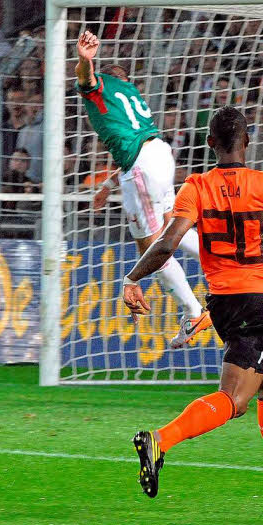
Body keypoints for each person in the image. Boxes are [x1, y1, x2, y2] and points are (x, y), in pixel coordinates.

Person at [123, 106, 263, 511]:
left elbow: (166, 243)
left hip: (222, 302)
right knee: (234, 400)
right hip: (259, 301)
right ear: (248, 143)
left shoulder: (196, 186)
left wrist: (132, 279)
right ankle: (159, 440)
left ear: (210, 143)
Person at [75, 30, 211, 346]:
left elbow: (86, 78)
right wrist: (109, 184)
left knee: (151, 249)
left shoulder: (101, 88)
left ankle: (193, 312)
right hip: (160, 155)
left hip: (140, 167)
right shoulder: (130, 93)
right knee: (170, 228)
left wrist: (85, 60)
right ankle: (224, 261)